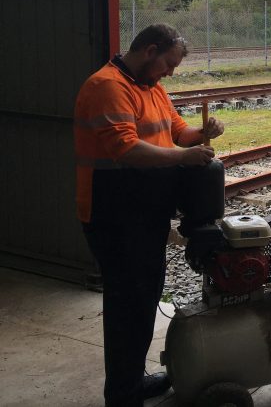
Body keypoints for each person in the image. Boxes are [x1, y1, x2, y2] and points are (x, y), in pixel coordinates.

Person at [74, 24, 225, 406]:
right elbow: (126, 150)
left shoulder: (150, 86)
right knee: (127, 306)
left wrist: (202, 132)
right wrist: (185, 157)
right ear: (150, 50)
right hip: (114, 215)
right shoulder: (107, 86)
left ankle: (132, 381)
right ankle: (123, 395)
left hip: (143, 212)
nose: (170, 73)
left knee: (143, 301)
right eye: (168, 64)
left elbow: (176, 131)